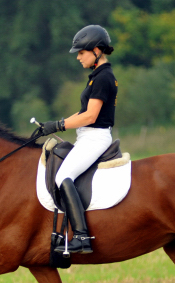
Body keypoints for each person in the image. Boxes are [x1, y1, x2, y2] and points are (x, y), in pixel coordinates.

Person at [40, 25, 118, 255]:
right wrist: (54, 124)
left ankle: (82, 237)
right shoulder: (96, 77)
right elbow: (82, 112)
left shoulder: (104, 77)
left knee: (63, 176)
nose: (78, 57)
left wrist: (60, 125)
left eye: (81, 52)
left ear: (95, 50)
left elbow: (91, 116)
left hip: (95, 138)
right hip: (87, 136)